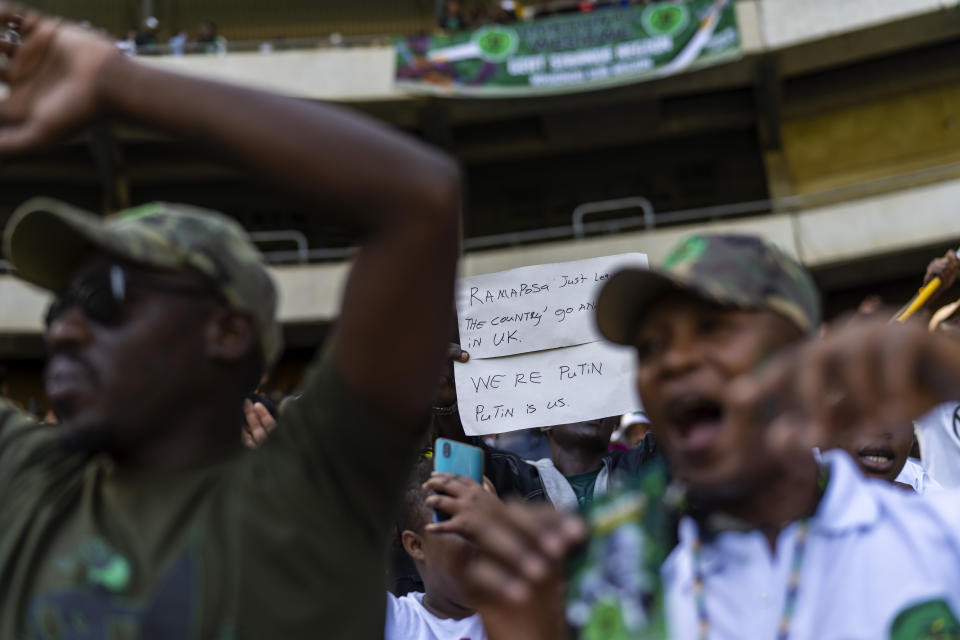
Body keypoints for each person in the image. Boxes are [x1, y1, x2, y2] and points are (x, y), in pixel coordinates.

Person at [0, 6, 459, 639]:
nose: (64, 332)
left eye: (105, 298)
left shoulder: (311, 494)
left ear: (228, 332)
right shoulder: (26, 480)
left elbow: (420, 202)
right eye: (59, 309)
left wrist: (120, 85)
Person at [434, 234, 960, 639]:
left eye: (712, 328)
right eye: (652, 345)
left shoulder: (938, 536)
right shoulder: (630, 594)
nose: (674, 361)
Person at [386, 458, 492, 640]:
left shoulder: (528, 612)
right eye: (463, 526)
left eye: (491, 521)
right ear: (415, 545)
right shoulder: (392, 620)